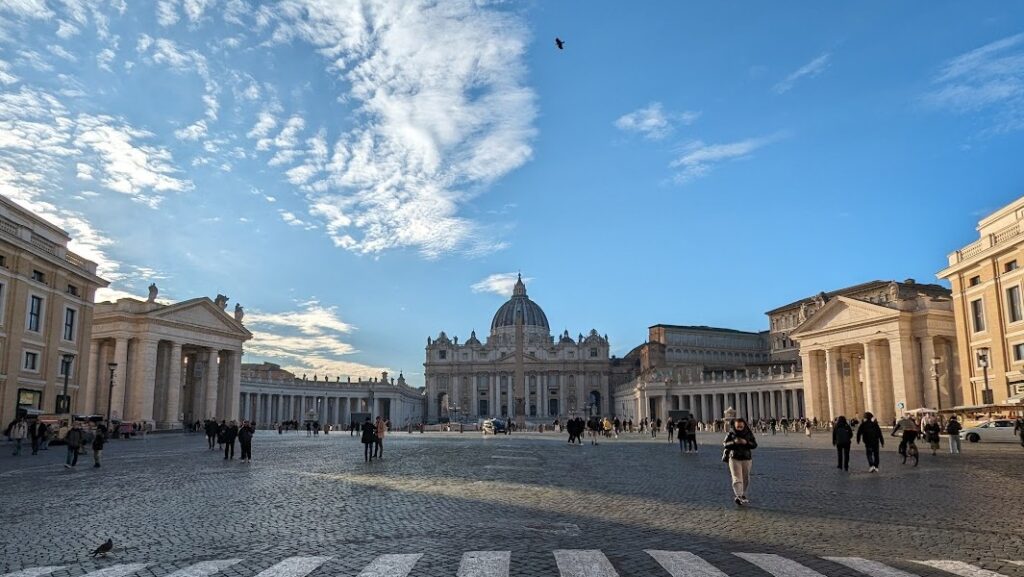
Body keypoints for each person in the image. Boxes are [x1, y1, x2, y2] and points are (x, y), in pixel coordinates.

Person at [723, 418, 757, 505]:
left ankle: (743, 493)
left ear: (744, 426)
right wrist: (734, 442)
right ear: (734, 426)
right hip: (734, 457)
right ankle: (738, 496)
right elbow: (725, 444)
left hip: (746, 458)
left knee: (745, 478)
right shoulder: (731, 434)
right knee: (737, 477)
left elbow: (754, 445)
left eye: (741, 427)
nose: (739, 428)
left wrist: (746, 442)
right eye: (738, 427)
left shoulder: (748, 433)